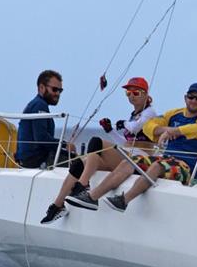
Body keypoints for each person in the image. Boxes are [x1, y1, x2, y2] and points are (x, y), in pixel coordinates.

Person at [66, 82, 197, 213]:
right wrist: (164, 130)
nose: (194, 101)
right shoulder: (174, 114)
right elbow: (149, 126)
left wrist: (173, 131)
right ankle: (91, 197)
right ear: (185, 98)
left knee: (157, 166)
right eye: (191, 97)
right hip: (167, 159)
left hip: (187, 167)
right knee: (128, 162)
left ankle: (124, 201)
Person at [40, 77, 157, 223]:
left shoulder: (150, 112)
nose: (131, 96)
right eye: (128, 93)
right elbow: (125, 142)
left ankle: (82, 185)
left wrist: (124, 124)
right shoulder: (134, 115)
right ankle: (58, 205)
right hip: (128, 153)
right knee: (83, 161)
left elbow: (134, 128)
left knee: (96, 142)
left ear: (146, 95)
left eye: (136, 93)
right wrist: (109, 131)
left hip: (140, 157)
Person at [16, 70, 76, 169]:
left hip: (26, 159)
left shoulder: (34, 104)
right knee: (79, 163)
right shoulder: (40, 105)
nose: (57, 93)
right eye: (54, 89)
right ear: (41, 87)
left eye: (60, 91)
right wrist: (64, 145)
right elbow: (41, 138)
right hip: (35, 160)